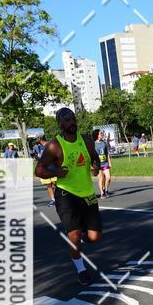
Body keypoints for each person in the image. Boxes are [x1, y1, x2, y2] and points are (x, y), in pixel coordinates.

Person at [35, 108, 102, 285]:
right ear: (60, 124)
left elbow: (95, 158)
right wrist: (57, 171)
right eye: (66, 120)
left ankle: (80, 238)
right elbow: (39, 170)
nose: (71, 122)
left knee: (94, 238)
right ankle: (81, 269)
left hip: (87, 193)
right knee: (74, 235)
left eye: (72, 118)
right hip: (66, 194)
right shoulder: (54, 146)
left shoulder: (86, 140)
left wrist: (96, 166)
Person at [35, 136, 57, 205]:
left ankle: (60, 198)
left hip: (52, 168)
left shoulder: (50, 145)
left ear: (40, 138)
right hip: (44, 169)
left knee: (55, 184)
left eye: (36, 138)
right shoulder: (38, 147)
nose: (36, 140)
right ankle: (53, 200)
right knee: (49, 185)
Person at [94, 127, 112, 198]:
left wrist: (109, 162)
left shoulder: (104, 143)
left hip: (105, 163)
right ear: (97, 135)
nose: (102, 134)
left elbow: (107, 153)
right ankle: (102, 193)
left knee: (108, 178)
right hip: (98, 164)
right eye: (100, 133)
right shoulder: (94, 144)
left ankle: (106, 189)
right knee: (101, 179)